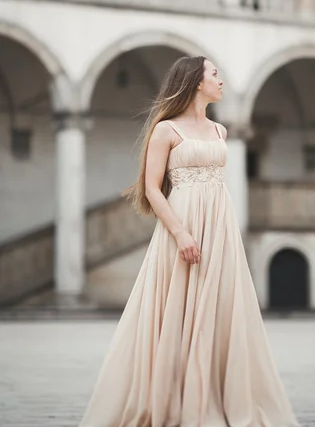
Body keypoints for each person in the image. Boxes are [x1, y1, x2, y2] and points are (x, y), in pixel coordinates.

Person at [80, 56, 299, 427]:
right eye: (215, 73)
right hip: (181, 223)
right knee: (178, 308)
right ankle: (173, 399)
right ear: (196, 81)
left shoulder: (221, 131)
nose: (221, 80)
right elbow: (151, 188)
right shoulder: (166, 130)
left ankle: (216, 394)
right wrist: (180, 232)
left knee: (218, 307)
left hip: (219, 223)